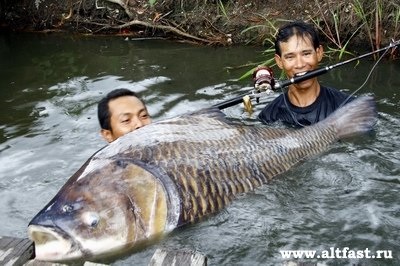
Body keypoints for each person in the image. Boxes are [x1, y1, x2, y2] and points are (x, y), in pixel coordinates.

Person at [257, 20, 354, 127]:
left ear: (319, 53)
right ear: (279, 61)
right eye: (290, 57)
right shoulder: (268, 117)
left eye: (306, 54)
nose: (300, 64)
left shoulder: (349, 107)